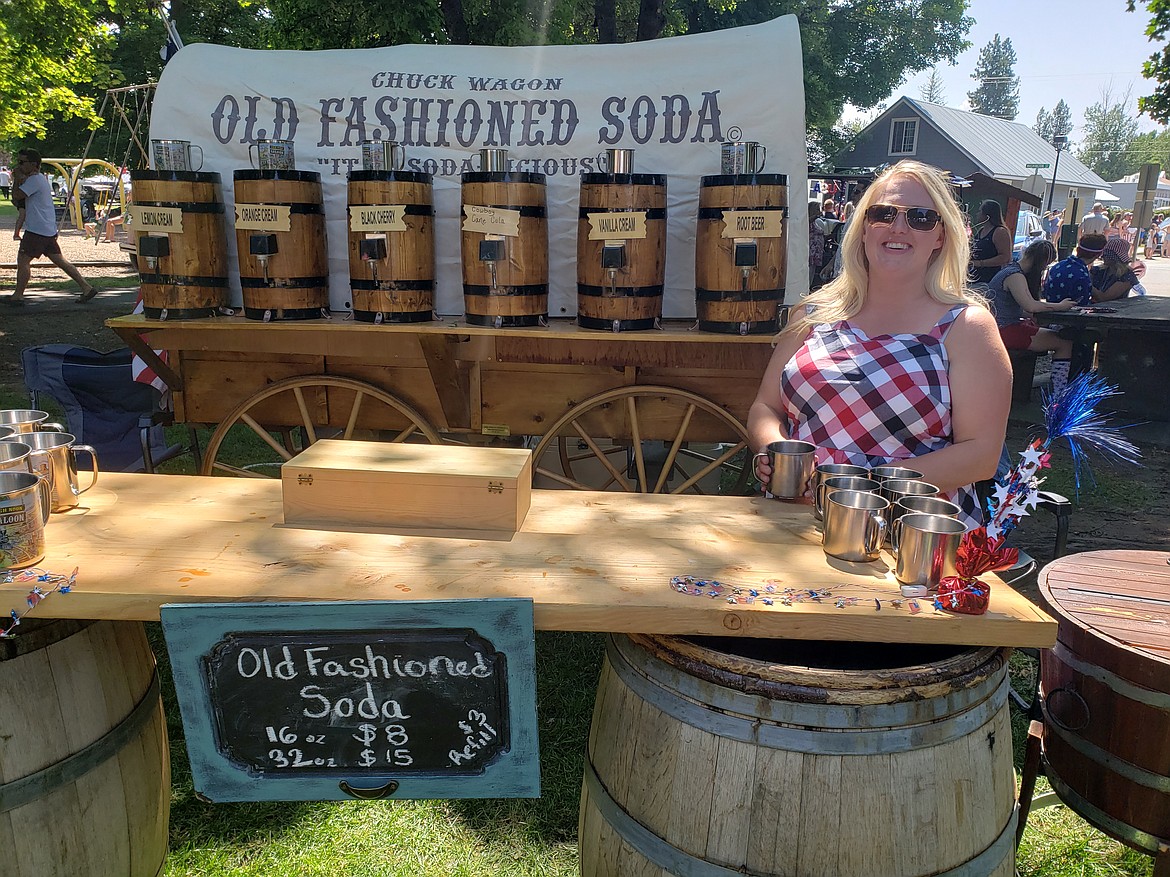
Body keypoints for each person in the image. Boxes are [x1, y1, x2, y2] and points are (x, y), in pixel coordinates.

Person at [748, 160, 1010, 529]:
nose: (898, 227)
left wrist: (858, 490)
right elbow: (765, 406)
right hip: (794, 519)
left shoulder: (967, 326)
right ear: (864, 228)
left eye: (920, 217)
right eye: (883, 213)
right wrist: (772, 448)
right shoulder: (812, 312)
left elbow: (981, 454)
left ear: (941, 236)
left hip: (909, 534)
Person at [5, 148, 97, 307]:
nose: (19, 166)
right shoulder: (36, 179)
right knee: (60, 261)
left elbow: (16, 196)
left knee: (23, 260)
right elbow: (18, 202)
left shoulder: (34, 180)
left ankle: (18, 295)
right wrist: (20, 179)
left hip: (37, 230)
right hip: (47, 229)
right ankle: (86, 287)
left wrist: (16, 180)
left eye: (22, 162)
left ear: (33, 164)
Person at [986, 239, 1077, 394]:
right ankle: (1058, 392)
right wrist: (1060, 306)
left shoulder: (1010, 270)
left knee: (1052, 334)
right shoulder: (1015, 276)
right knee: (1064, 343)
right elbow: (1030, 306)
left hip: (1000, 327)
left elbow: (1022, 309)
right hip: (1005, 329)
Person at [1042, 233, 1106, 306]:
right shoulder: (1082, 276)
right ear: (1098, 255)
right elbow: (1082, 304)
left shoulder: (1058, 265)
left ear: (1078, 249)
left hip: (1050, 309)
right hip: (1068, 314)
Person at [968, 199, 1012, 287]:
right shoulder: (981, 230)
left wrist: (980, 263)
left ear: (987, 215)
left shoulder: (999, 231)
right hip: (975, 277)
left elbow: (1005, 257)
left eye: (980, 211)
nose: (977, 214)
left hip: (990, 278)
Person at [1092, 237, 1141, 302]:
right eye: (1104, 253)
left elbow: (1103, 298)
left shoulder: (1127, 276)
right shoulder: (1098, 270)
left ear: (1117, 258)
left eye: (1108, 255)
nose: (1103, 257)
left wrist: (1087, 282)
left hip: (1115, 309)